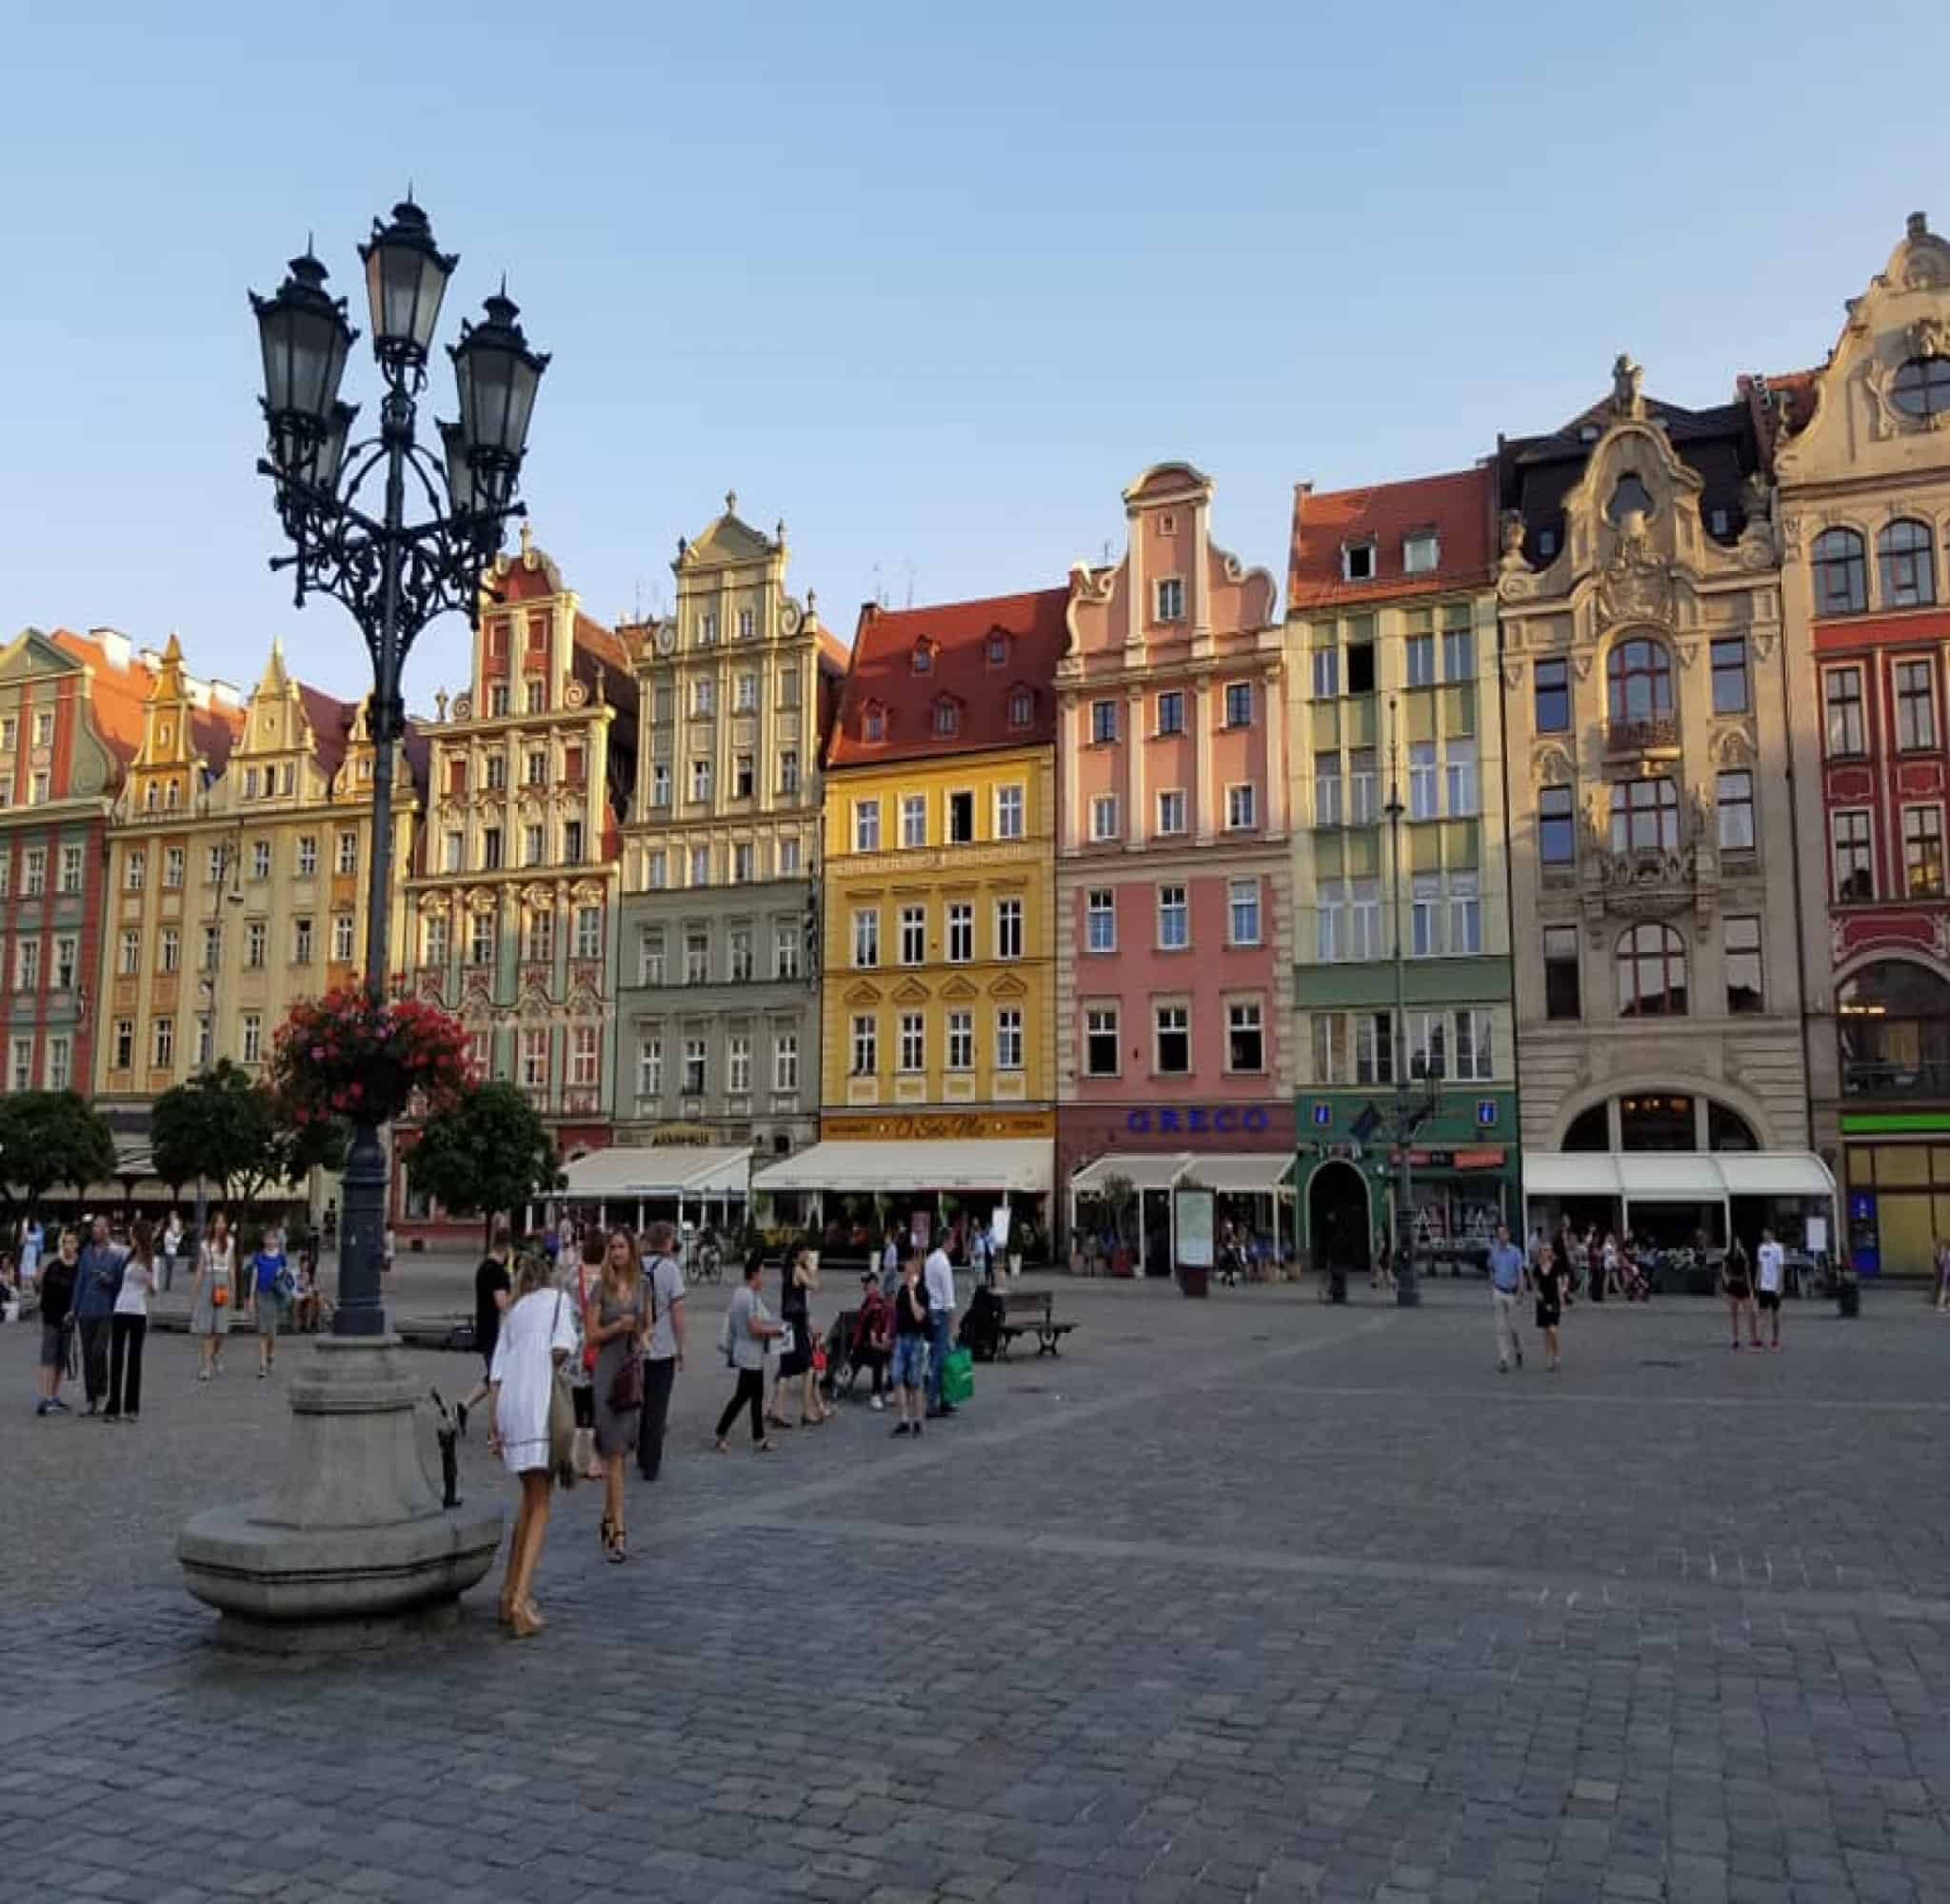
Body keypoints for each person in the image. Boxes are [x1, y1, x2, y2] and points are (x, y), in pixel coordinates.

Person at [486, 1252, 578, 1637]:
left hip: (511, 1405)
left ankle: (508, 1592)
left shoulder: (514, 1313)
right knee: (541, 1502)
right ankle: (522, 1599)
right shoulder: (559, 1301)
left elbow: (495, 1375)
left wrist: (494, 1426)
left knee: (528, 1496)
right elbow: (562, 1349)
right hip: (539, 1401)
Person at [585, 1229, 645, 1562]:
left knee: (620, 1454)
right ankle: (620, 1532)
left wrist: (640, 1333)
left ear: (631, 1251)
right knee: (616, 1454)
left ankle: (608, 1515)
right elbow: (591, 1337)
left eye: (623, 1246)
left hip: (631, 1373)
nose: (618, 1252)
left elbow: (646, 1324)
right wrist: (615, 1329)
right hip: (607, 1374)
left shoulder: (641, 1287)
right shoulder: (600, 1289)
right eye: (614, 1247)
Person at [636, 1220, 686, 1484]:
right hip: (662, 1345)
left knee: (640, 1403)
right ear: (667, 1242)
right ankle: (651, 1463)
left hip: (635, 1346)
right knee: (657, 1406)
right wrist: (681, 1347)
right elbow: (678, 1313)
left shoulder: (635, 1267)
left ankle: (641, 1453)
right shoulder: (670, 1270)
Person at [713, 1258, 780, 1453]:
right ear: (755, 1274)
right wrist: (775, 1332)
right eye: (762, 1273)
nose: (764, 1278)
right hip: (750, 1355)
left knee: (754, 1395)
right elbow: (754, 1327)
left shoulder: (740, 1293)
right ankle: (721, 1433)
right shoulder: (748, 1297)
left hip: (748, 1354)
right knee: (743, 1396)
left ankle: (758, 1437)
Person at [455, 1223, 513, 1439]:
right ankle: (495, 1431)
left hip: (485, 1328)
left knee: (493, 1376)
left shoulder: (483, 1267)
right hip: (496, 1333)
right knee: (498, 1380)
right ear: (506, 1248)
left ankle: (464, 1405)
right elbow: (503, 1304)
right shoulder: (498, 1272)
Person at [769, 1243, 828, 1429]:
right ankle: (807, 1412)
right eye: (804, 1253)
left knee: (786, 1370)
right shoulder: (797, 1270)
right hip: (797, 1327)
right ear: (797, 1256)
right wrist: (812, 1268)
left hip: (787, 1325)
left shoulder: (787, 1271)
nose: (807, 1255)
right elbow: (816, 1286)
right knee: (809, 1367)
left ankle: (777, 1412)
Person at [71, 1217, 127, 1418]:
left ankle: (102, 1393)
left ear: (107, 1230)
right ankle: (90, 1399)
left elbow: (122, 1285)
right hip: (86, 1310)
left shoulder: (117, 1254)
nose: (95, 1229)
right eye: (93, 1226)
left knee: (98, 1351)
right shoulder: (85, 1253)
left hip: (107, 1311)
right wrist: (73, 1309)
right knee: (87, 1355)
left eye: (99, 1226)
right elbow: (79, 1281)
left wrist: (109, 1281)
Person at [106, 1219, 155, 1422]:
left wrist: (148, 1279)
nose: (130, 1237)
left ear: (139, 1236)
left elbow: (154, 1291)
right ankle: (114, 1406)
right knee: (116, 1359)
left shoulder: (153, 1261)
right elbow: (112, 1246)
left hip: (138, 1312)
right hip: (120, 1309)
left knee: (134, 1361)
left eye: (133, 1234)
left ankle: (132, 1407)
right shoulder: (127, 1255)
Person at [569, 1234, 605, 1482]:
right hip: (599, 1347)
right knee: (594, 1408)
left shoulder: (571, 1278)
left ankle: (574, 1460)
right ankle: (593, 1461)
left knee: (576, 1404)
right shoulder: (606, 1280)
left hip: (575, 1350)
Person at [35, 1226, 80, 1417]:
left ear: (76, 1245)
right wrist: (39, 1275)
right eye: (65, 1242)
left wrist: (74, 1312)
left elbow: (80, 1293)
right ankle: (45, 1397)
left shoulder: (80, 1268)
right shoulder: (52, 1265)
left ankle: (54, 1396)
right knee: (48, 1357)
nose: (68, 1245)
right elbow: (39, 1287)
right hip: (51, 1318)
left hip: (68, 1319)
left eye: (72, 1242)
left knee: (62, 1360)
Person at [190, 1210, 236, 1381]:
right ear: (212, 1224)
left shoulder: (230, 1243)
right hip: (208, 1282)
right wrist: (194, 1292)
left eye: (223, 1223)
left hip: (223, 1282)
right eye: (217, 1222)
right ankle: (206, 1366)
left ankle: (214, 1353)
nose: (220, 1226)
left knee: (221, 1329)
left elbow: (232, 1267)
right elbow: (200, 1269)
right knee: (207, 1328)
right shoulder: (205, 1244)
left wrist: (233, 1289)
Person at [889, 1253, 930, 1438]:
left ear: (917, 1274)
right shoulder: (902, 1290)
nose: (905, 1276)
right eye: (904, 1272)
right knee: (897, 1377)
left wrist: (913, 1293)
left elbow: (919, 1316)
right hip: (901, 1338)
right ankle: (904, 1419)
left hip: (915, 1339)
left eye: (908, 1272)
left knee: (915, 1381)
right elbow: (897, 1315)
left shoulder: (922, 1292)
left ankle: (918, 1421)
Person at [924, 1233, 958, 1418]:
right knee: (939, 1359)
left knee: (943, 1356)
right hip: (941, 1312)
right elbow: (949, 1298)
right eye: (953, 1241)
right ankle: (931, 1403)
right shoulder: (944, 1264)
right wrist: (953, 1325)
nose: (955, 1245)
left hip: (931, 1311)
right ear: (946, 1241)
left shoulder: (930, 1260)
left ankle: (945, 1399)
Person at [250, 1225, 289, 1378]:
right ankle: (262, 1364)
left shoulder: (281, 1257)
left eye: (273, 1238)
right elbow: (254, 1276)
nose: (270, 1241)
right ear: (263, 1240)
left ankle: (271, 1354)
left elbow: (287, 1275)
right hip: (261, 1295)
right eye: (267, 1238)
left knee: (272, 1332)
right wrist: (251, 1297)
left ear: (277, 1241)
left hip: (275, 1297)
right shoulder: (258, 1256)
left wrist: (282, 1273)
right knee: (262, 1331)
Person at [852, 1271, 892, 1409]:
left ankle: (878, 1393)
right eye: (864, 1283)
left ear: (874, 1284)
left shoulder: (876, 1303)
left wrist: (882, 1344)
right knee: (879, 1355)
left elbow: (878, 1328)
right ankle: (884, 1391)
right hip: (863, 1345)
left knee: (879, 1356)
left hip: (871, 1345)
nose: (864, 1286)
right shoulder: (869, 1301)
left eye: (867, 1283)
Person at [1489, 1223, 1525, 1374]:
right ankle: (1504, 1359)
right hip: (1498, 1291)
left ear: (1508, 1235)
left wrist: (1520, 1292)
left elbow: (1520, 1273)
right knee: (1500, 1328)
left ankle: (1518, 1351)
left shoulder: (1516, 1252)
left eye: (1504, 1233)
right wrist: (1492, 1284)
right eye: (1499, 1234)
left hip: (1511, 1292)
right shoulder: (1494, 1251)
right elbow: (1491, 1268)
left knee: (1514, 1328)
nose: (1501, 1236)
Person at [1532, 1240, 1564, 1374]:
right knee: (1546, 1332)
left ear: (1551, 1252)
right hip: (1542, 1302)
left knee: (1553, 1330)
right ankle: (1549, 1359)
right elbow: (1534, 1284)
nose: (1545, 1252)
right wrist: (1536, 1293)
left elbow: (1559, 1285)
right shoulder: (1537, 1267)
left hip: (1554, 1301)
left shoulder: (1556, 1266)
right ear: (1540, 1252)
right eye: (1543, 1250)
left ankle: (1556, 1354)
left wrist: (1562, 1302)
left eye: (1548, 1250)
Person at [1722, 1236, 1761, 1350]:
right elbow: (1724, 1270)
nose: (1738, 1245)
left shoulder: (1744, 1255)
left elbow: (1747, 1272)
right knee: (1734, 1314)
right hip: (1732, 1286)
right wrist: (1726, 1280)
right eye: (1736, 1243)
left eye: (1739, 1243)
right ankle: (1735, 1339)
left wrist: (1751, 1289)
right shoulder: (1727, 1255)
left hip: (1743, 1286)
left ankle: (1753, 1338)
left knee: (1751, 1312)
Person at [1756, 1227, 1786, 1352]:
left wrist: (1779, 1284)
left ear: (1772, 1234)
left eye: (1767, 1233)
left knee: (1775, 1315)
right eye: (1763, 1233)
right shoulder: (1761, 1248)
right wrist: (1757, 1280)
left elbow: (1780, 1266)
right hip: (1764, 1285)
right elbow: (1760, 1265)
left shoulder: (1778, 1248)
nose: (1765, 1235)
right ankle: (1760, 1341)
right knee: (1762, 1313)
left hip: (1774, 1286)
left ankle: (1775, 1340)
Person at [160, 1211, 184, 1297]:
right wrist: (180, 1236)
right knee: (170, 1270)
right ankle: (167, 1286)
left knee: (169, 1270)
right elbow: (175, 1241)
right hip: (171, 1252)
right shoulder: (169, 1233)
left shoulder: (168, 1231)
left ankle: (167, 1285)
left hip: (169, 1251)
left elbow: (175, 1235)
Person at [20, 1217, 44, 1292]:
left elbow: (38, 1237)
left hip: (36, 1250)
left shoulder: (37, 1226)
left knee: (34, 1269)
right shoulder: (26, 1226)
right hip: (30, 1250)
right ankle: (30, 1287)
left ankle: (36, 1286)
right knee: (28, 1270)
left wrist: (27, 1238)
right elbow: (22, 1240)